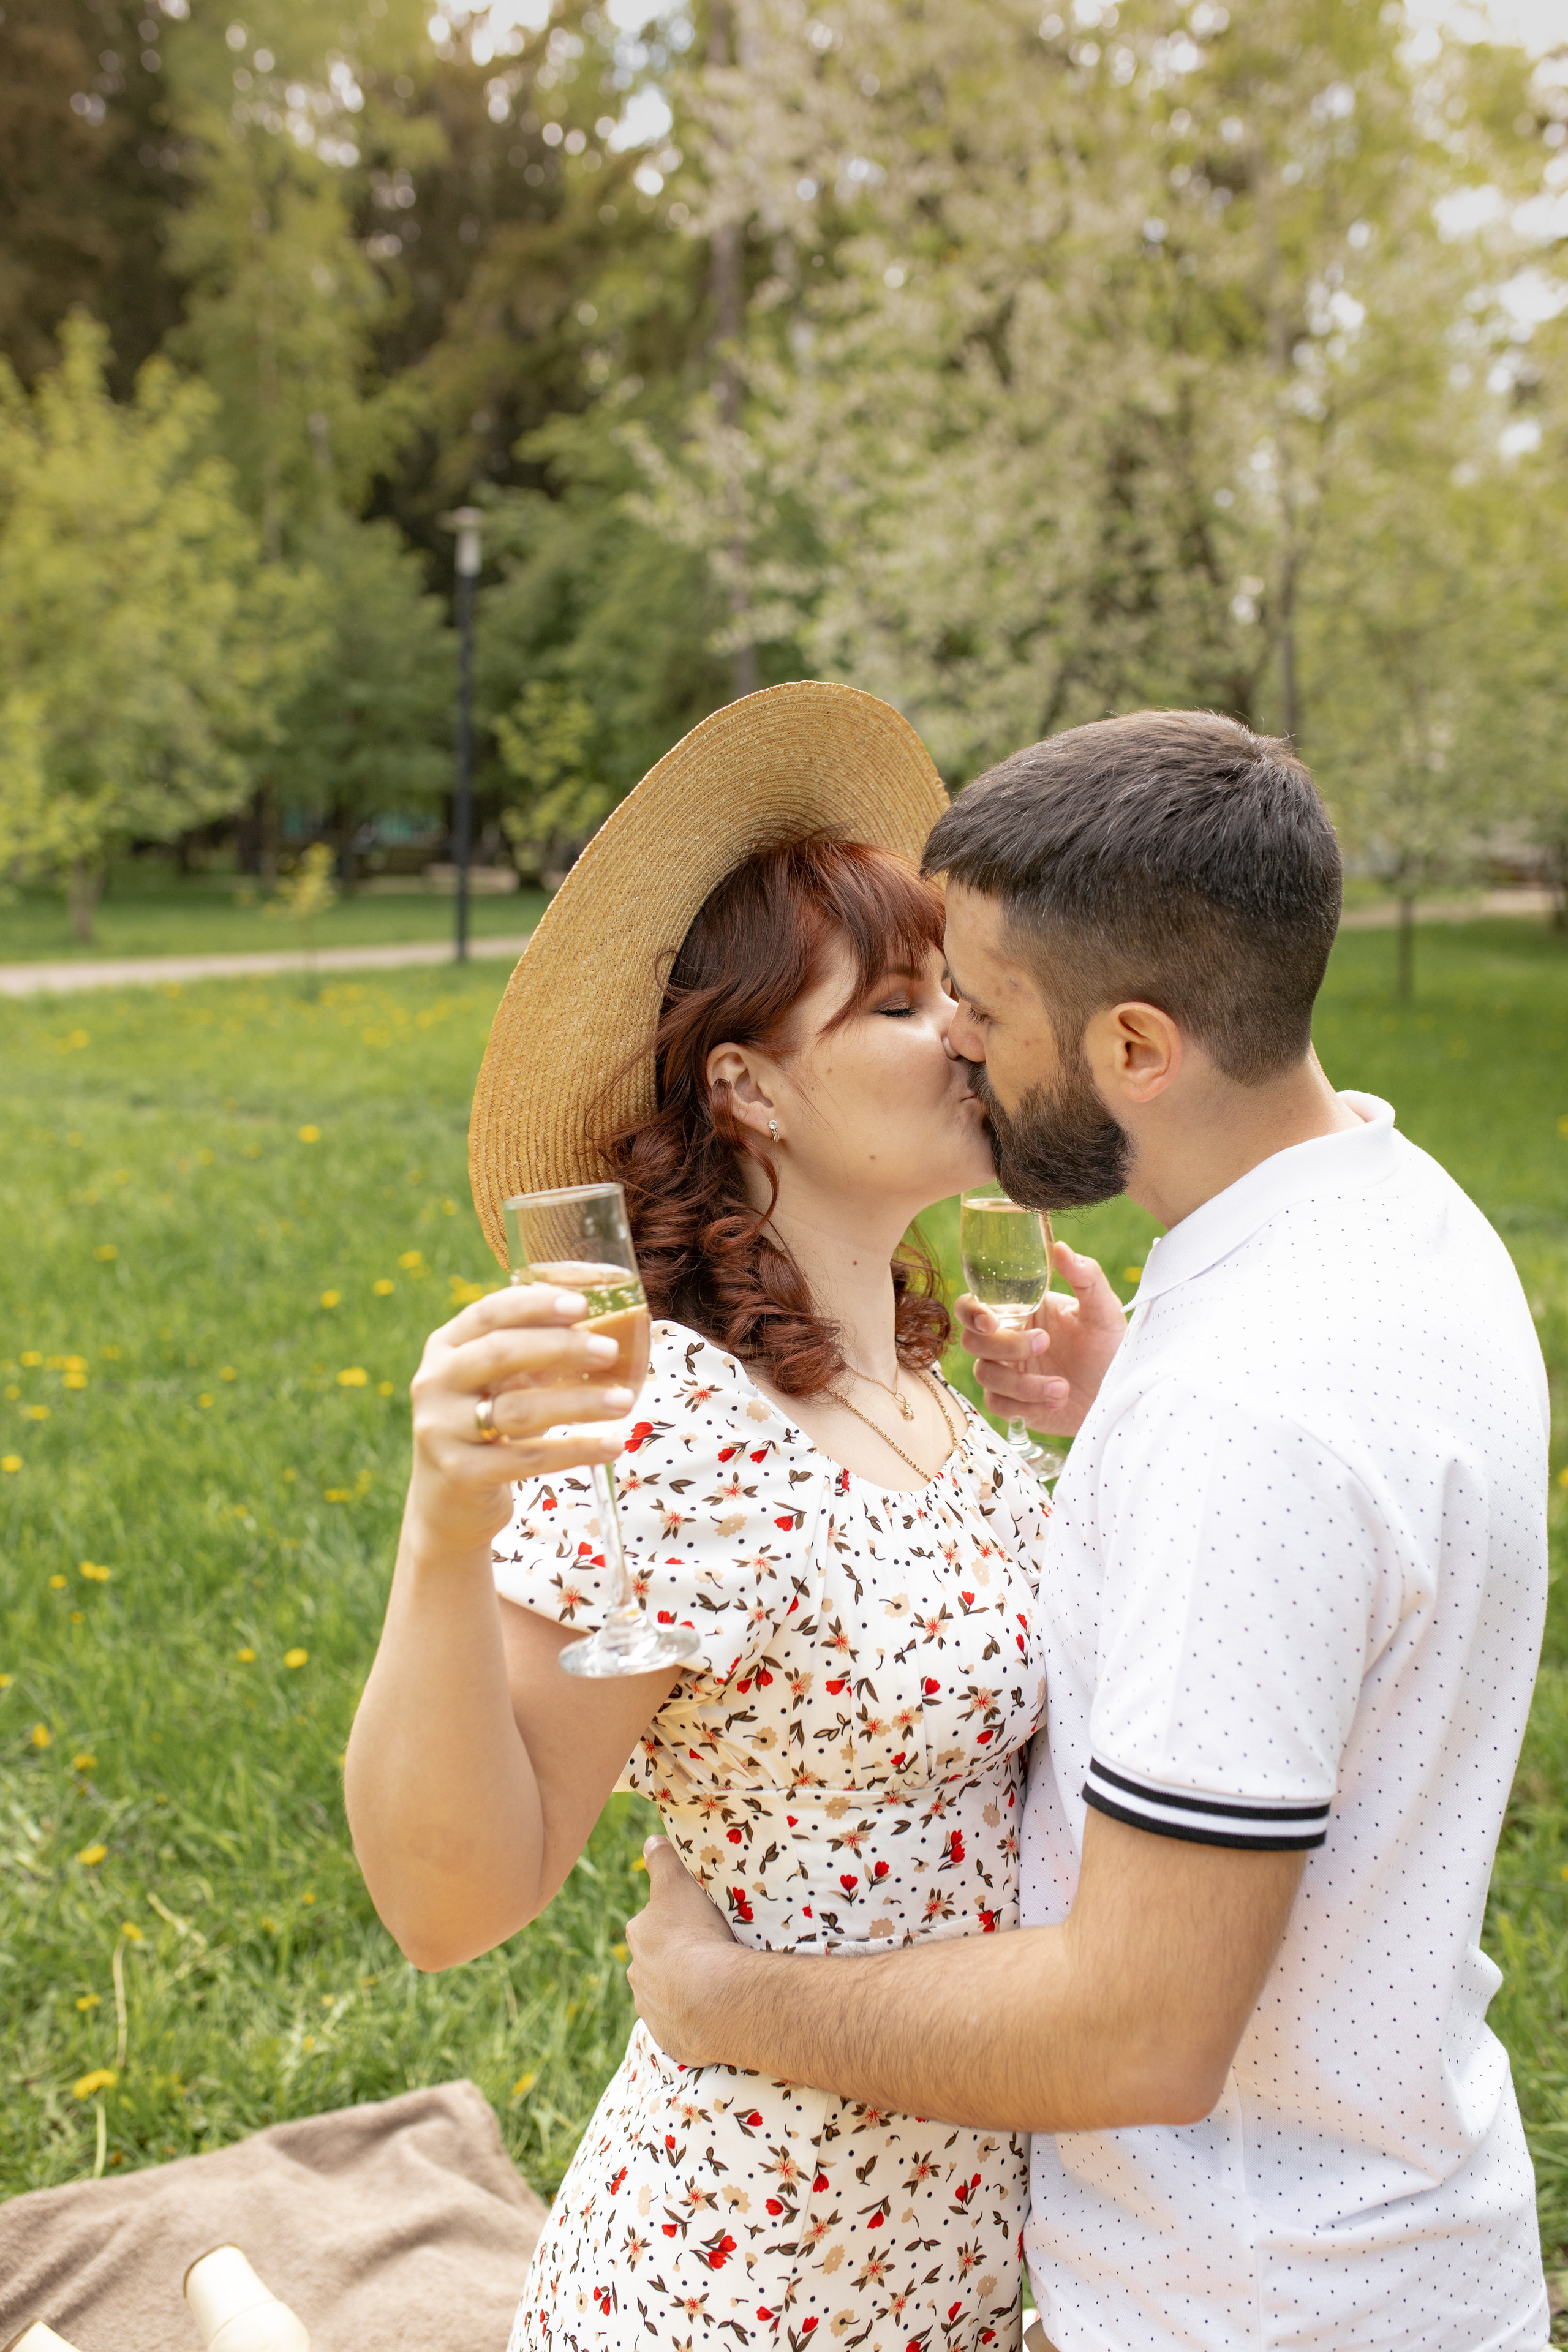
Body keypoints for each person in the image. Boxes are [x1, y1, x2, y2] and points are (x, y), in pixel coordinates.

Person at [625, 708, 1552, 2352]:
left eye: (979, 1007)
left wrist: (720, 2001)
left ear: (1134, 1049)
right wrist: (1137, 1412)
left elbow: (1137, 2031)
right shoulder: (1401, 1220)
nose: (955, 1046)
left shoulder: (1247, 1415)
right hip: (1402, 2246)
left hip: (1245, 2306)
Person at [344, 682, 1062, 2352]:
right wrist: (443, 1535)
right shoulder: (678, 1424)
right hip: (749, 2284)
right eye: (897, 1002)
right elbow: (455, 1902)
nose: (963, 1031)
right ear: (746, 1085)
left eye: (957, 991)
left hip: (956, 2280)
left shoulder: (949, 1409)